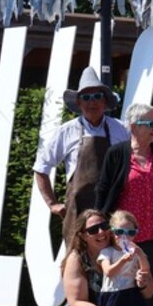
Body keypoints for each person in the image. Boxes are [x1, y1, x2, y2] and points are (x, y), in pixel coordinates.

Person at [34, 66, 129, 246]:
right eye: (86, 97)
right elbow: (41, 168)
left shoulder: (121, 129)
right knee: (76, 258)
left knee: (113, 257)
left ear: (105, 101)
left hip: (113, 209)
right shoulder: (66, 131)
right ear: (78, 102)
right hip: (77, 212)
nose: (92, 102)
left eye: (97, 96)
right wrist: (52, 204)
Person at [95, 103, 153, 306]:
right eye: (149, 124)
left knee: (147, 285)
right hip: (121, 235)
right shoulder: (117, 153)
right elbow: (102, 190)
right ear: (133, 127)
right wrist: (100, 227)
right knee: (120, 285)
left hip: (150, 233)